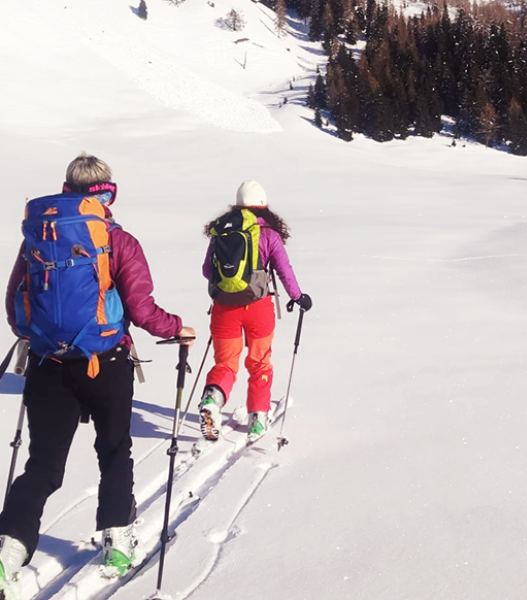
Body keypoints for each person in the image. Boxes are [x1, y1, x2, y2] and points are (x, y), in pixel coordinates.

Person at [0, 154, 195, 593]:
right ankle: (117, 542)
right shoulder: (115, 239)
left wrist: (48, 334)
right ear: (107, 192)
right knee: (113, 451)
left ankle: (7, 551)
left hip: (49, 364)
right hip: (106, 363)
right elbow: (142, 310)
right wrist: (176, 327)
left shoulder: (38, 236)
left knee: (43, 465)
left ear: (66, 189)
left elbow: (16, 305)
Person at [199, 180, 311, 443]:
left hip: (224, 308)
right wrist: (298, 297)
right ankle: (258, 420)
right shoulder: (269, 234)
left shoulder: (221, 233)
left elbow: (207, 270)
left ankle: (212, 401)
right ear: (263, 205)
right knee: (259, 362)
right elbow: (284, 270)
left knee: (226, 363)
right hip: (259, 309)